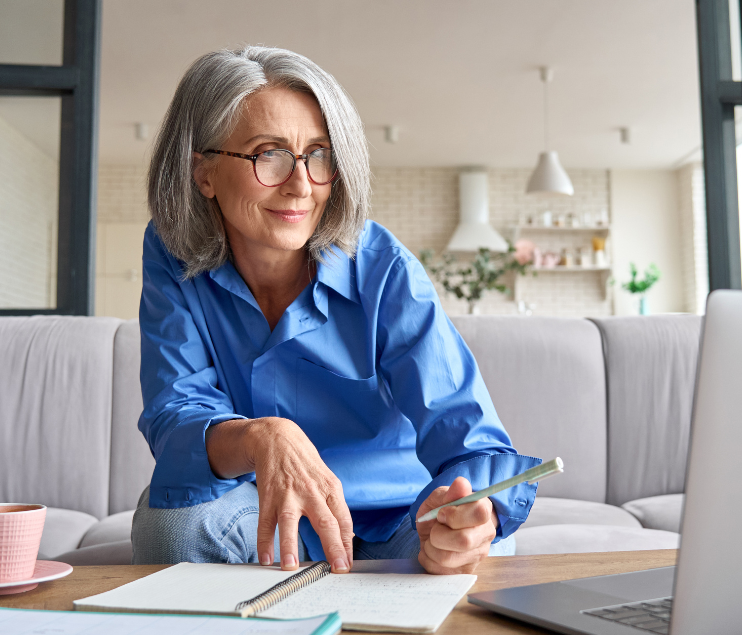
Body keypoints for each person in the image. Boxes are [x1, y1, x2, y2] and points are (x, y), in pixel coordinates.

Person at [131, 46, 540, 576]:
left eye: (318, 155)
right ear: (203, 172)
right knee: (172, 530)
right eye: (268, 154)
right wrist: (259, 436)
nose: (301, 185)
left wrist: (470, 515)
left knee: (479, 554)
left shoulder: (383, 267)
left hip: (397, 521)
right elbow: (176, 412)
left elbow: (467, 437)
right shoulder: (172, 252)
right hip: (259, 517)